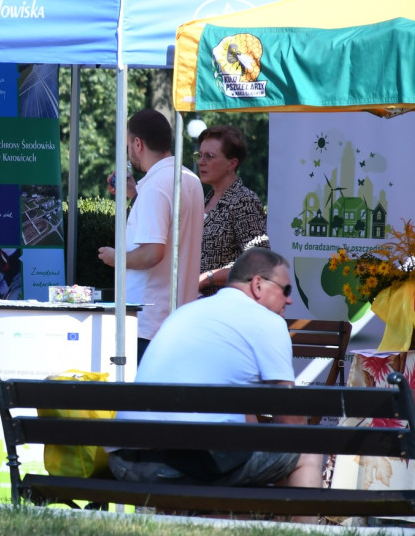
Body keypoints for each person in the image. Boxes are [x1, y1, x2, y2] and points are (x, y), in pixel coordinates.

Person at [107, 248, 322, 522]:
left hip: (126, 462)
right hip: (187, 465)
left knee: (236, 463)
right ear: (258, 285)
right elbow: (292, 424)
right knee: (307, 450)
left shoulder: (185, 312)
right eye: (285, 289)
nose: (290, 300)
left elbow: (245, 420)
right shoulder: (268, 322)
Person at [98, 109, 203, 360]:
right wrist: (135, 194)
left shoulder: (156, 186)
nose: (128, 152)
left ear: (138, 143)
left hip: (148, 321)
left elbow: (153, 252)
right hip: (175, 317)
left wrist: (117, 258)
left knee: (141, 397)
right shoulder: (190, 178)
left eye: (128, 145)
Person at [195, 125, 269, 297]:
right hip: (200, 305)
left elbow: (259, 262)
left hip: (228, 307)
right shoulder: (206, 199)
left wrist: (208, 278)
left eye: (209, 156)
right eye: (200, 155)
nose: (201, 162)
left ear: (232, 163)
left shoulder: (244, 201)